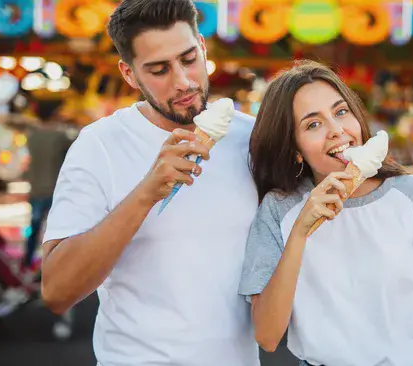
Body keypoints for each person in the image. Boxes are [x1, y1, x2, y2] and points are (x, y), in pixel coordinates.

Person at [40, 1, 260, 365]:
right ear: (129, 75)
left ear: (203, 48)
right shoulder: (100, 145)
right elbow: (57, 291)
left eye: (189, 59)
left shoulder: (250, 138)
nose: (183, 82)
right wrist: (145, 193)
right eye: (159, 70)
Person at [239, 60, 413, 366]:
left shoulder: (411, 194)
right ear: (294, 148)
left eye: (341, 111)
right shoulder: (279, 209)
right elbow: (267, 336)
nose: (337, 131)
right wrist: (300, 231)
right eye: (313, 124)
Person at [22, 101, 73, 271]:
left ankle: (27, 262)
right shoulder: (60, 137)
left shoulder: (32, 136)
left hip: (36, 189)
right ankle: (56, 266)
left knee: (34, 227)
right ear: (53, 115)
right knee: (57, 231)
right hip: (55, 189)